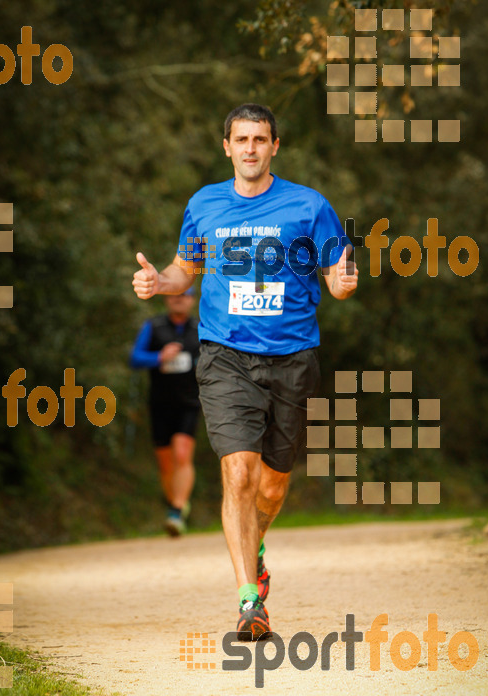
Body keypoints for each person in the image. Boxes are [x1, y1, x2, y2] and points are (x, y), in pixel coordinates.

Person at [132, 103, 358, 640]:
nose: (251, 148)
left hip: (293, 357)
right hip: (225, 355)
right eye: (241, 139)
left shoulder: (308, 206)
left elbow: (336, 270)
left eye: (260, 139)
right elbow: (185, 269)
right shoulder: (204, 204)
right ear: (226, 146)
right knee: (238, 472)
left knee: (273, 488)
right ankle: (248, 599)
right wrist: (159, 285)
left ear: (274, 146)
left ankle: (255, 546)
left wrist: (344, 281)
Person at [130, 289, 200, 536]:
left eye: (184, 295)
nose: (178, 298)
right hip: (160, 403)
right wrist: (159, 357)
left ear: (192, 299)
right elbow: (135, 358)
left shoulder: (201, 327)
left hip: (190, 402)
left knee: (182, 453)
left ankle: (177, 510)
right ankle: (176, 506)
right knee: (166, 464)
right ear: (166, 299)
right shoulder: (154, 325)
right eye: (173, 295)